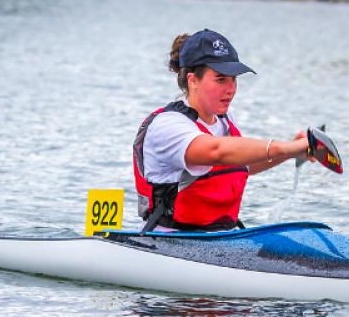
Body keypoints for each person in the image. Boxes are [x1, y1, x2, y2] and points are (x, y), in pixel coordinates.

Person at [133, 29, 311, 232]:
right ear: (193, 81)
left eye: (233, 79)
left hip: (219, 240)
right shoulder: (168, 126)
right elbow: (217, 152)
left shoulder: (225, 120)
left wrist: (293, 152)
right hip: (170, 243)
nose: (231, 89)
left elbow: (241, 164)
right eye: (220, 79)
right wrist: (285, 147)